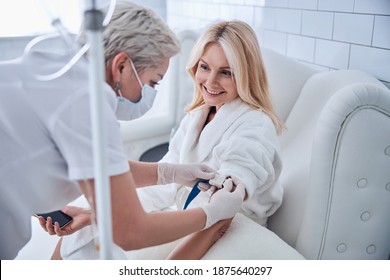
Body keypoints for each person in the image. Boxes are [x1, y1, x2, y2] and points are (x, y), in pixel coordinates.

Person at [0, 2, 245, 260]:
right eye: (153, 82)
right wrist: (210, 215)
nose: (149, 93)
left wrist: (170, 172)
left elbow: (103, 166)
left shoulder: (53, 71)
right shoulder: (86, 102)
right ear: (121, 66)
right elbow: (129, 233)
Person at [55, 20, 285, 260]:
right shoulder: (198, 116)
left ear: (246, 76)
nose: (210, 81)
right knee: (82, 232)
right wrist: (95, 215)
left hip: (230, 230)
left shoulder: (255, 127)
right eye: (205, 67)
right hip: (194, 217)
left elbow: (224, 211)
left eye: (226, 72)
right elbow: (163, 187)